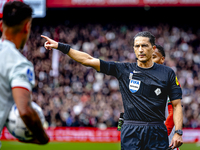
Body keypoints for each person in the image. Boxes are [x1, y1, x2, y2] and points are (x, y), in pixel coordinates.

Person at [41, 31, 183, 149]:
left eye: (144, 46)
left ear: (153, 48)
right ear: (133, 48)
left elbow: (176, 105)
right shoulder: (123, 69)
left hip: (156, 130)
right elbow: (88, 60)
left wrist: (178, 132)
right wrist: (61, 46)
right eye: (137, 46)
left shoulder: (167, 73)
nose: (140, 49)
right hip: (131, 130)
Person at [0, 1, 49, 145]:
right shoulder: (18, 63)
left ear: (1, 25)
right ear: (27, 27)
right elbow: (25, 111)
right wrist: (42, 138)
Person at [152, 44, 180, 150]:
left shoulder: (168, 80)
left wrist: (162, 134)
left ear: (162, 59)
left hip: (164, 139)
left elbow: (174, 111)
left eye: (153, 56)